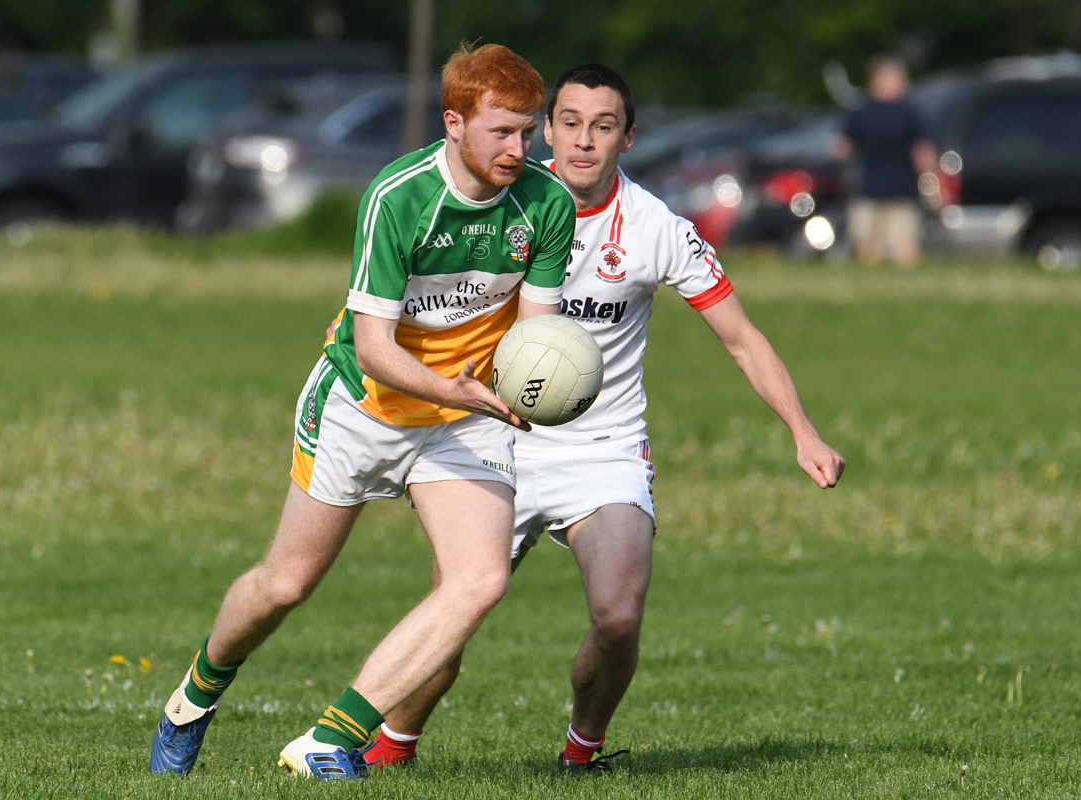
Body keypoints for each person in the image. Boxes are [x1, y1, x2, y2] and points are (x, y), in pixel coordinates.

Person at [361, 63, 846, 772]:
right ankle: (390, 750)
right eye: (570, 123)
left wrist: (803, 431)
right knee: (455, 610)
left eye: (604, 126)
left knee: (619, 616)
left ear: (628, 138)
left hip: (604, 446)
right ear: (547, 128)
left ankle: (581, 753)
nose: (584, 141)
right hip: (494, 437)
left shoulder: (656, 228)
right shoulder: (502, 202)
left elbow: (742, 338)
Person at [148, 43, 576, 781]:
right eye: (501, 131)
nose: (520, 148)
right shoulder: (398, 197)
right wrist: (460, 389)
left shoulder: (547, 203)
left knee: (479, 581)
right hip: (364, 404)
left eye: (528, 131)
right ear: (454, 123)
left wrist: (533, 387)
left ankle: (329, 743)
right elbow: (375, 347)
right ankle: (193, 699)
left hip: (462, 419)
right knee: (286, 584)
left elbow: (537, 336)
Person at [834, 54, 939, 266]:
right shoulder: (909, 114)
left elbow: (840, 150)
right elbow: (924, 155)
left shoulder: (860, 113)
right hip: (889, 192)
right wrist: (936, 188)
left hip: (877, 192)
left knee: (874, 251)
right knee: (901, 250)